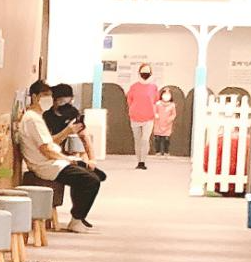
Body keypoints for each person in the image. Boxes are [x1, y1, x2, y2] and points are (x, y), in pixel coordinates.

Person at [18, 81, 104, 232]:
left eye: (50, 96)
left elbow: (82, 137)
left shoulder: (39, 117)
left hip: (55, 160)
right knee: (90, 180)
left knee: (96, 174)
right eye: (45, 96)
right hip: (48, 165)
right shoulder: (33, 119)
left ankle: (78, 216)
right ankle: (77, 219)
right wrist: (66, 159)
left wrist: (88, 159)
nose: (48, 100)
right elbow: (46, 149)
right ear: (35, 97)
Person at [125, 66, 159, 169]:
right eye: (143, 72)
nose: (145, 74)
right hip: (135, 116)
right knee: (137, 140)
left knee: (145, 139)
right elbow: (129, 100)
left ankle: (143, 161)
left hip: (149, 117)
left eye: (147, 72)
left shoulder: (153, 87)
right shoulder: (134, 87)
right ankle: (139, 161)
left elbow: (155, 100)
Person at [43, 83, 84, 155]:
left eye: (69, 102)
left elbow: (84, 137)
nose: (66, 106)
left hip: (73, 153)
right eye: (62, 102)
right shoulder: (46, 117)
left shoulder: (74, 113)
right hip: (54, 154)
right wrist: (67, 131)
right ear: (54, 101)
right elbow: (47, 144)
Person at [151, 89, 178, 156]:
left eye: (168, 94)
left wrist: (170, 119)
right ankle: (157, 151)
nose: (166, 96)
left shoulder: (172, 105)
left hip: (167, 124)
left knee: (166, 139)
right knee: (157, 138)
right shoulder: (158, 104)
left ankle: (166, 152)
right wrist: (156, 115)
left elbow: (174, 114)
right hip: (158, 123)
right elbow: (154, 111)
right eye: (165, 94)